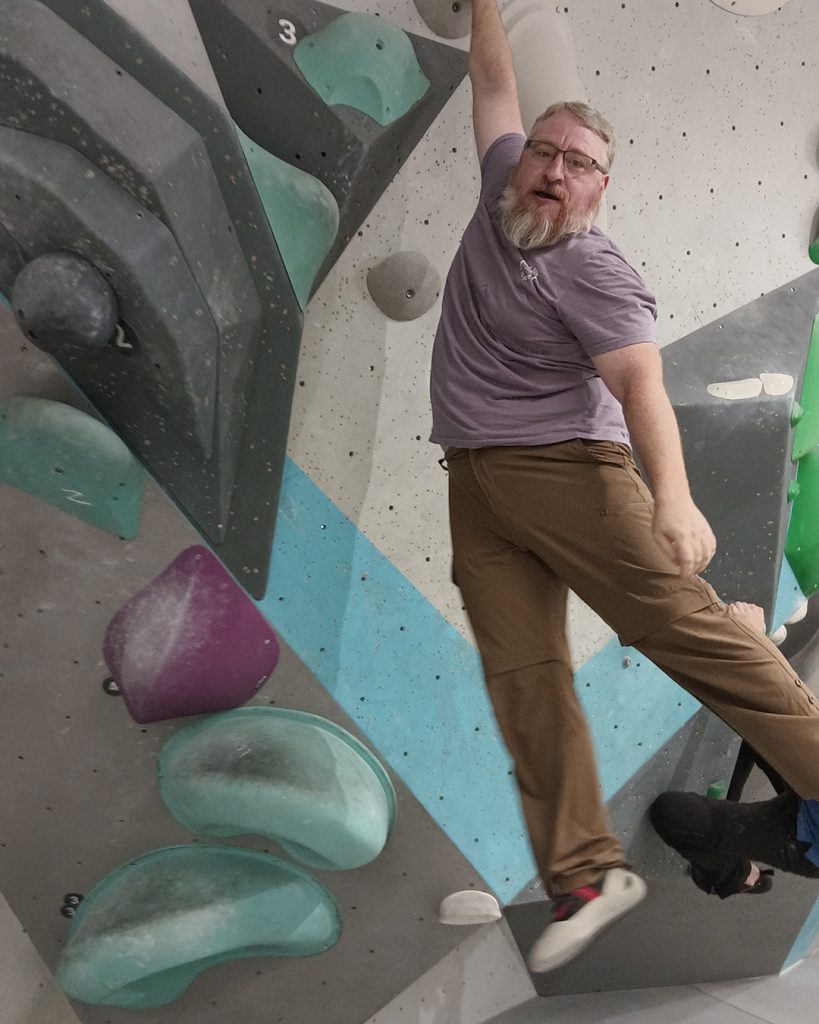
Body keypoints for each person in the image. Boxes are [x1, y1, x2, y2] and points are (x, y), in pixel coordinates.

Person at [429, 0, 819, 973]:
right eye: (546, 153)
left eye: (580, 163)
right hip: (475, 482)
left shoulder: (594, 268)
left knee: (678, 627)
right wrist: (484, 9)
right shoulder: (497, 190)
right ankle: (587, 877)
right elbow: (492, 85)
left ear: (602, 189)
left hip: (571, 469)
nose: (555, 169)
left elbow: (641, 380)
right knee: (522, 673)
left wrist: (675, 498)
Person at [650, 603, 819, 898]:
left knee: (673, 813)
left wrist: (753, 644)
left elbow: (796, 716)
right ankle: (727, 807)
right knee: (752, 729)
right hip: (811, 780)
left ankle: (734, 875)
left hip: (803, 835)